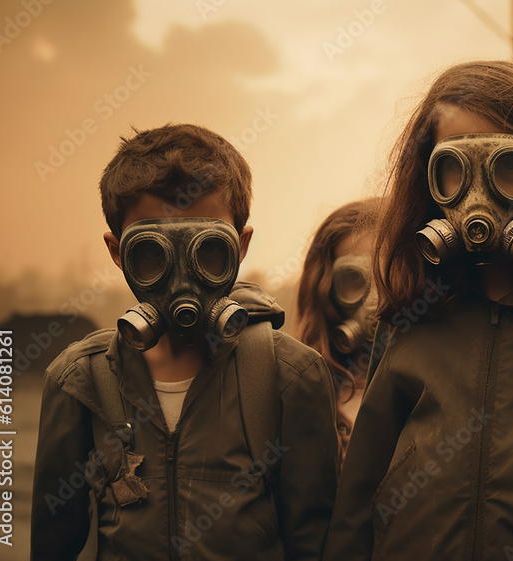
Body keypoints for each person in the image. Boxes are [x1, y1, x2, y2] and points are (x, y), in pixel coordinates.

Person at [323, 60, 513, 561]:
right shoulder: (409, 322)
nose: (477, 197)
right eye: (454, 170)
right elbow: (359, 495)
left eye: (507, 168)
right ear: (427, 183)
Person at [30, 124, 339, 560]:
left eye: (206, 250)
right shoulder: (80, 381)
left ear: (241, 245)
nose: (181, 282)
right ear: (118, 252)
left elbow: (316, 542)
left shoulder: (290, 377)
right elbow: (53, 543)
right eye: (152, 254)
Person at [296, 198, 380, 457]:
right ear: (326, 291)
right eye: (355, 277)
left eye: (391, 273)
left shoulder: (443, 388)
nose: (377, 300)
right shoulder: (297, 395)